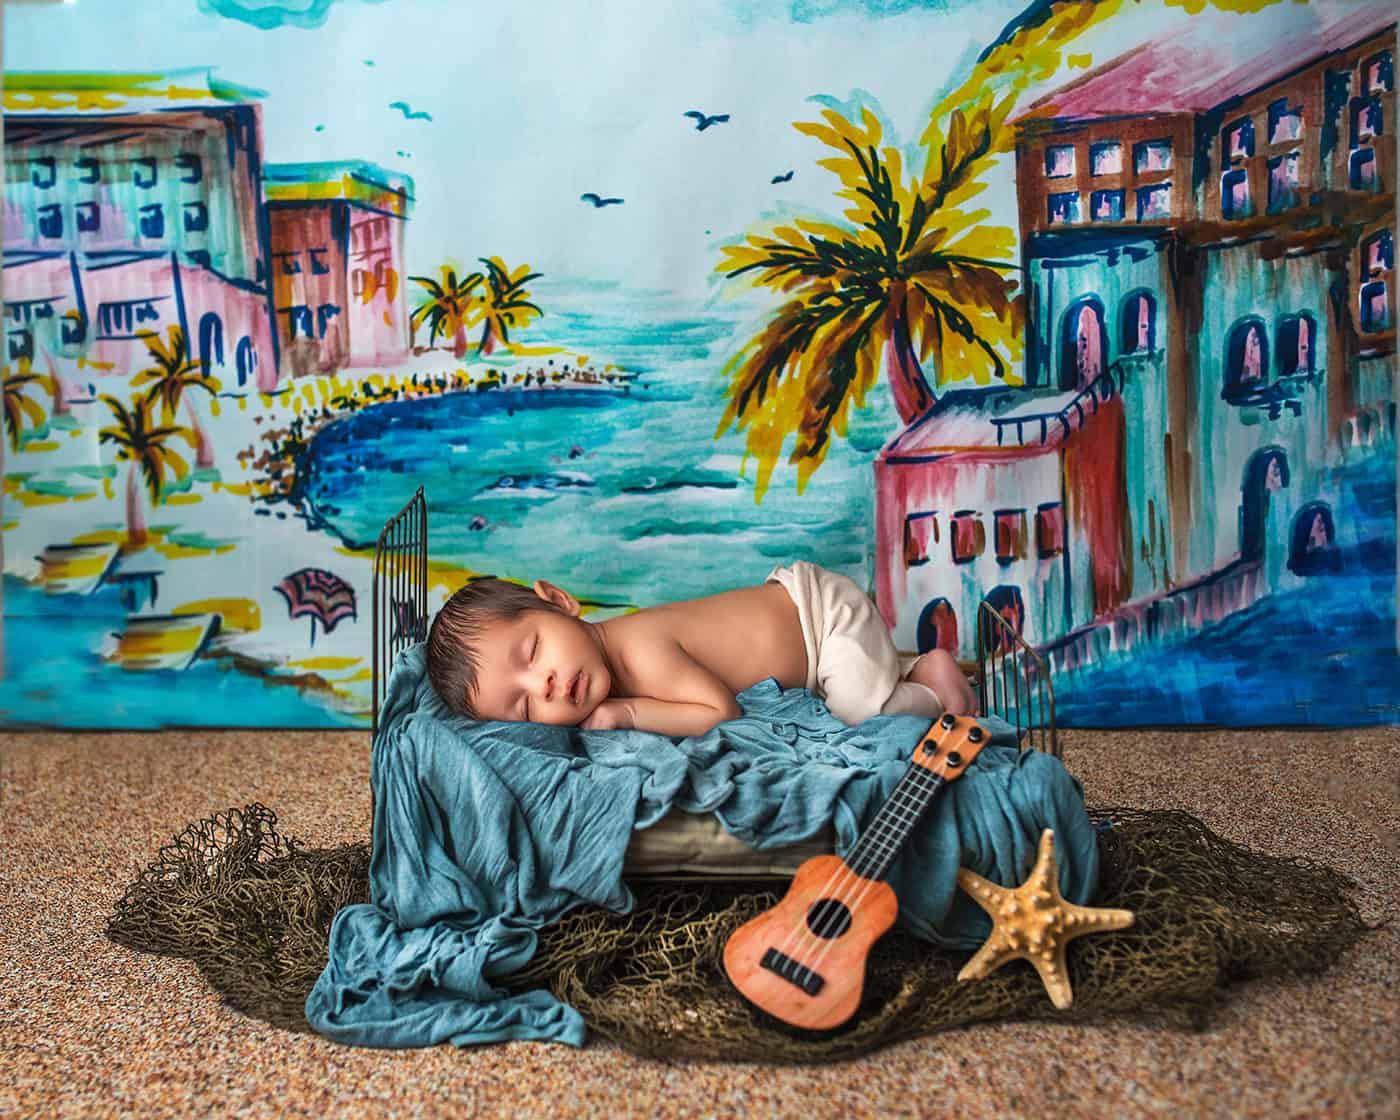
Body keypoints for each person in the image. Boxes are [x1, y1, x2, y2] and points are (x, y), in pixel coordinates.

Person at [425, 560, 979, 738]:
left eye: (532, 653)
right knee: (853, 680)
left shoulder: (638, 651)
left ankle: (931, 682)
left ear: (559, 601)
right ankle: (896, 664)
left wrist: (629, 713)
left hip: (821, 617)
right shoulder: (602, 662)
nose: (542, 684)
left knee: (861, 711)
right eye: (523, 707)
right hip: (802, 633)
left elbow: (721, 711)